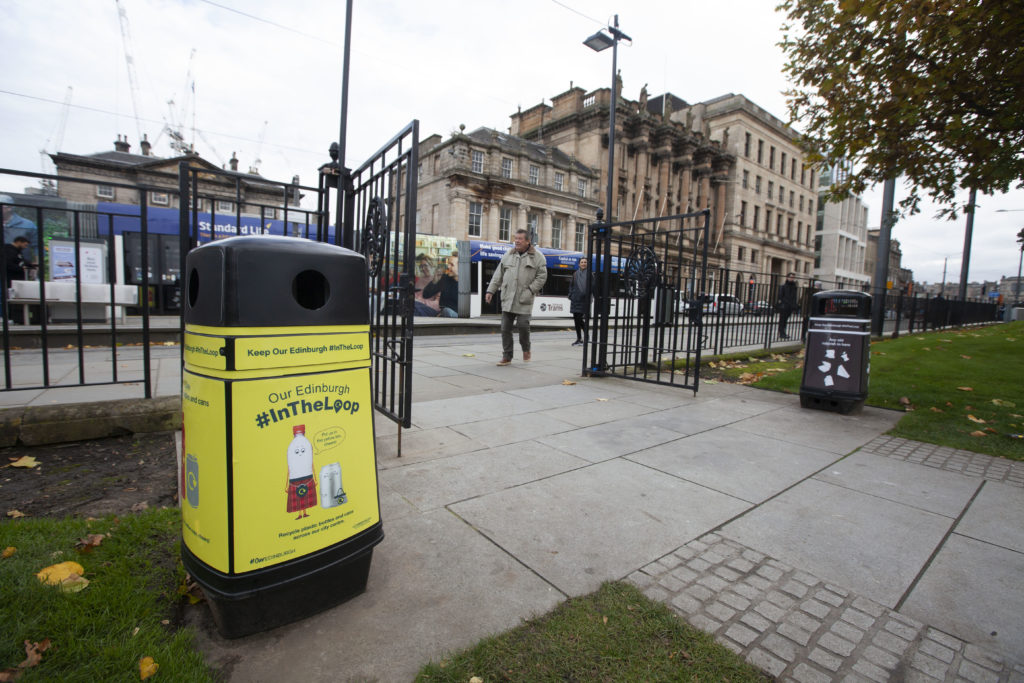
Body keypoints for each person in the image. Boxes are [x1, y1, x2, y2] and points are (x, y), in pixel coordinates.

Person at [485, 229, 547, 366]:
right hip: (508, 297)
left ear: (527, 241)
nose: (517, 241)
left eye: (520, 239)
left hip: (524, 298)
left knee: (523, 326)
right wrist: (490, 291)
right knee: (505, 328)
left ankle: (526, 348)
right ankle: (507, 356)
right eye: (516, 238)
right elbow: (498, 274)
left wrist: (530, 290)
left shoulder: (538, 257)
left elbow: (542, 277)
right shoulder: (508, 254)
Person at [422, 251, 459, 318]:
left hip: (456, 318)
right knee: (414, 305)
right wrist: (435, 280)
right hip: (441, 314)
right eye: (448, 264)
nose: (448, 266)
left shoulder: (467, 284)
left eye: (452, 264)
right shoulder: (445, 278)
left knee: (447, 311)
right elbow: (426, 294)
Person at [3, 235, 31, 323]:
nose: (24, 247)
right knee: (9, 297)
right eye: (24, 245)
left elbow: (22, 261)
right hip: (10, 278)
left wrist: (31, 265)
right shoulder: (8, 251)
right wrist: (20, 269)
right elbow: (8, 264)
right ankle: (9, 316)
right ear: (19, 242)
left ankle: (16, 317)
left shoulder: (18, 252)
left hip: (17, 279)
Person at [568, 257, 593, 346]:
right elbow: (571, 285)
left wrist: (589, 298)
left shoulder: (590, 274)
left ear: (587, 264)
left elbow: (592, 288)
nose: (583, 263)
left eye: (585, 262)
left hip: (584, 300)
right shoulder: (575, 274)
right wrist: (570, 295)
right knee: (576, 320)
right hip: (575, 299)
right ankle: (579, 338)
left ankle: (586, 336)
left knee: (580, 319)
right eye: (582, 262)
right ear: (579, 264)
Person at [776, 272, 798, 339]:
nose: (792, 279)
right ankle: (781, 333)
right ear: (787, 277)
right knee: (782, 320)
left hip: (790, 306)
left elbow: (794, 297)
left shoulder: (794, 287)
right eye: (791, 277)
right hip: (784, 306)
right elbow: (780, 296)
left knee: (785, 320)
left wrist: (794, 305)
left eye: (793, 277)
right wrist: (785, 302)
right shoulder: (783, 286)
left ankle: (783, 332)